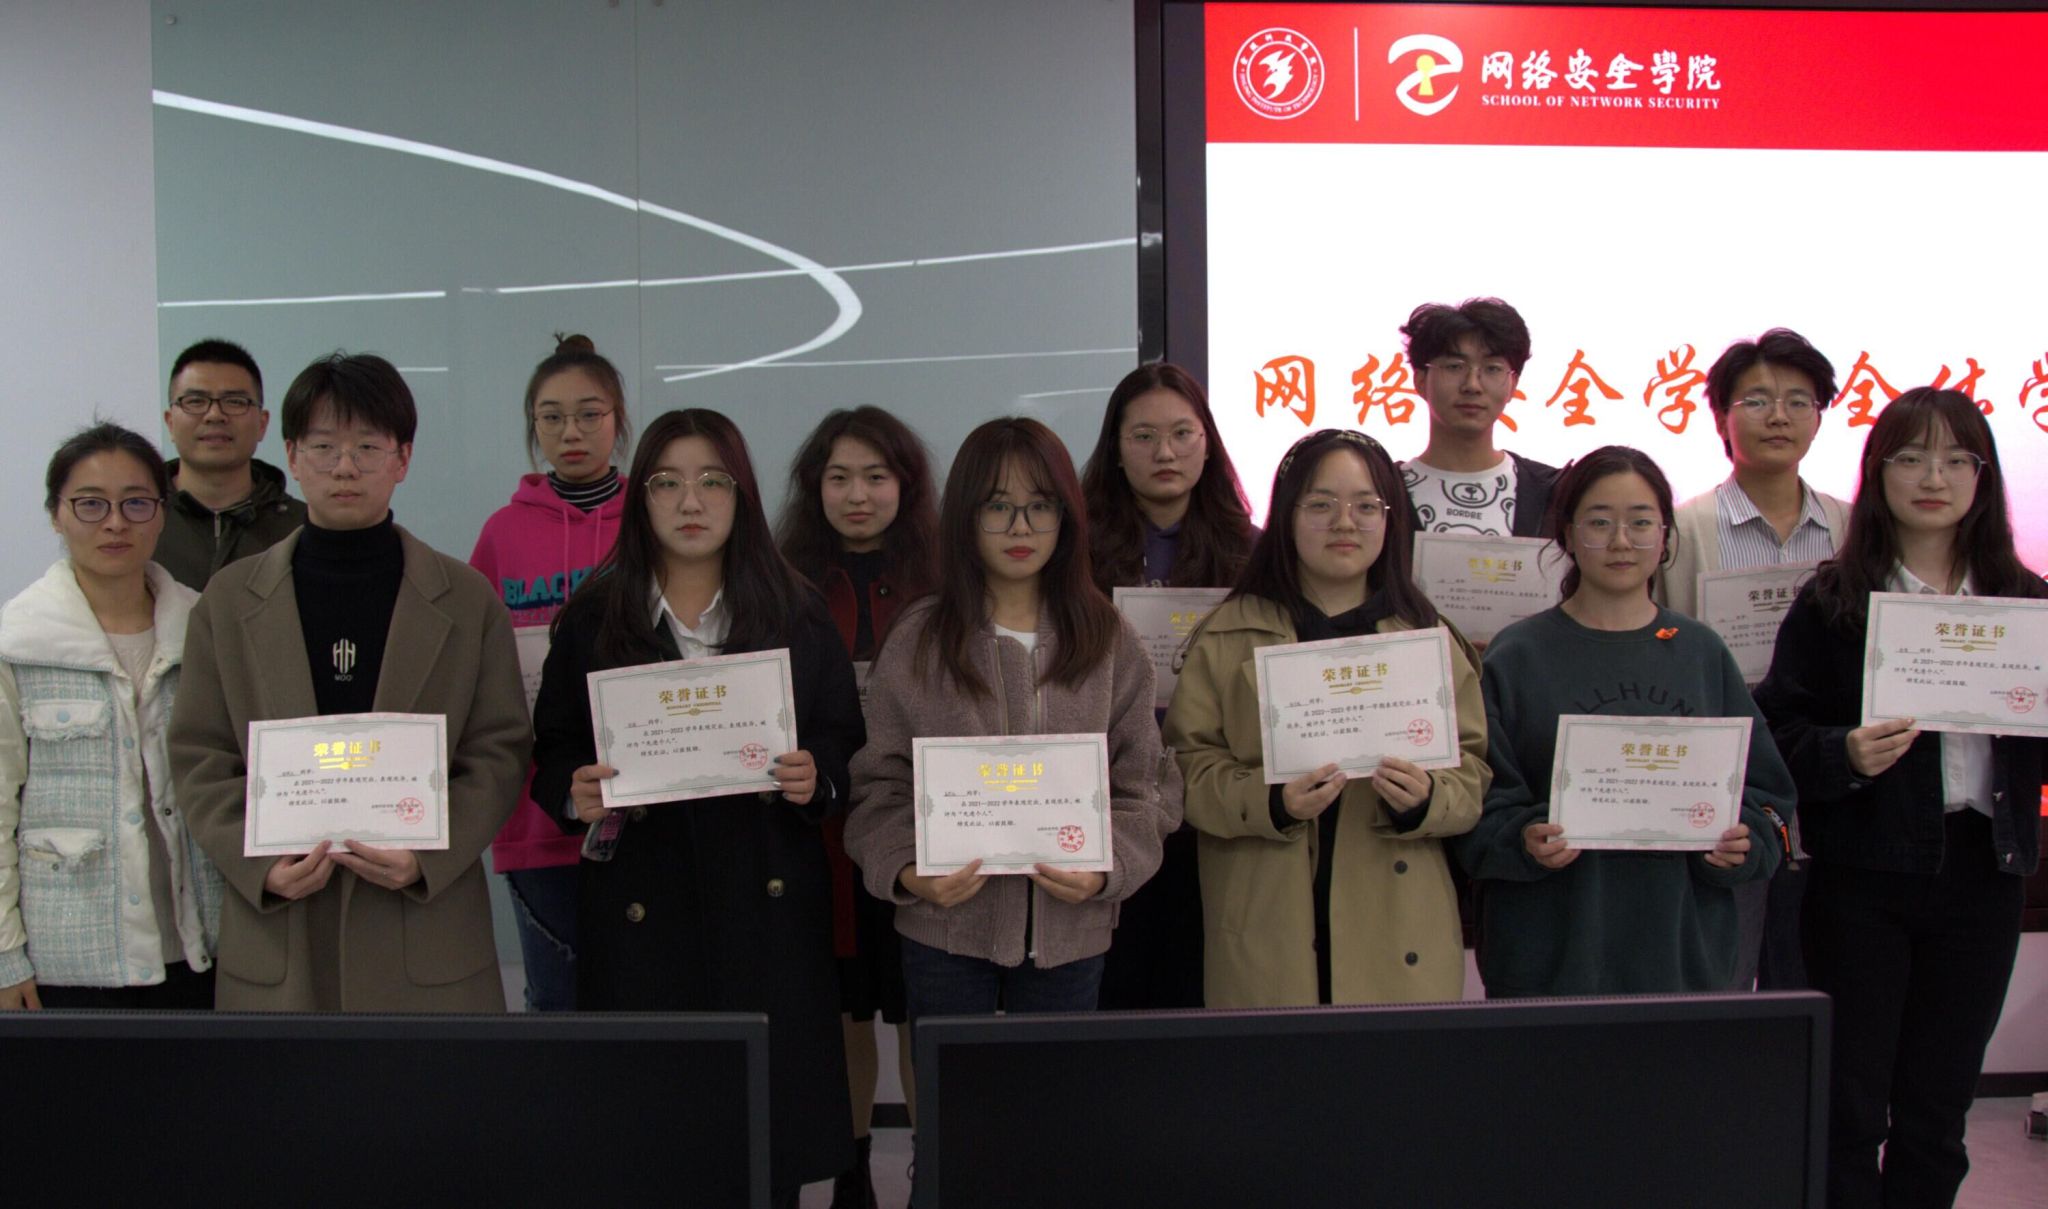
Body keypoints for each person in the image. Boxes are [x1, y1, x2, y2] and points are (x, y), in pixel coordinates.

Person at [532, 408, 862, 1207]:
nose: (691, 501)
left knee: (766, 1148)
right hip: (646, 907)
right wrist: (575, 789)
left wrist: (815, 776)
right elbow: (553, 748)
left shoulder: (794, 609)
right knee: (657, 1145)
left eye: (713, 481)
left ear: (741, 494)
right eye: (667, 482)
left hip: (765, 904)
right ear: (640, 498)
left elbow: (843, 738)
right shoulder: (595, 615)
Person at [1755, 388, 2046, 1209]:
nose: (1933, 477)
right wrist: (1843, 752)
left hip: (1984, 874)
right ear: (1879, 472)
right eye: (1911, 457)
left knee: (1938, 1110)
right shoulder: (1832, 602)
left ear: (1983, 477)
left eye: (1956, 458)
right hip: (1861, 876)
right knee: (1849, 1108)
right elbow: (1776, 732)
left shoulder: (2027, 603)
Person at [168, 353, 529, 1012]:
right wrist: (258, 864)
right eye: (323, 446)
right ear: (291, 454)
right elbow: (199, 753)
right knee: (286, 1082)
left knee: (429, 1081)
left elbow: (499, 748)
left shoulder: (467, 599)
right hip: (283, 921)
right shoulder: (228, 601)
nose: (344, 467)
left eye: (367, 447)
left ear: (403, 458)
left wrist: (430, 854)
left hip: (421, 921)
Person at [843, 416, 1181, 1022]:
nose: (1020, 527)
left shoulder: (1108, 638)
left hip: (1071, 934)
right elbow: (878, 783)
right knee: (952, 1080)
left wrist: (1105, 869)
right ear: (964, 516)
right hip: (944, 930)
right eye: (998, 506)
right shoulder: (920, 638)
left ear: (1067, 516)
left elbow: (1145, 785)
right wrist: (909, 870)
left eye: (1040, 506)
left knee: (1052, 1083)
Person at [1163, 428, 1488, 1007]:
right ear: (1286, 517)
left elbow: (1474, 773)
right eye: (1321, 505)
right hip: (1268, 929)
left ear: (1390, 520)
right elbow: (1184, 771)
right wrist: (1271, 802)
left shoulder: (1427, 637)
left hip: (1399, 933)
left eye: (1366, 506)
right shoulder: (1228, 634)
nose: (1345, 523)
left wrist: (1426, 798)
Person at [1456, 446, 1795, 997]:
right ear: (1567, 535)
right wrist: (1523, 839)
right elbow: (1475, 806)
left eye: (1640, 522)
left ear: (1665, 537)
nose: (1621, 541)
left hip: (1682, 959)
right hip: (1550, 958)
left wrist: (1744, 844)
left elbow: (1767, 798)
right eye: (1599, 522)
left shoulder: (1700, 652)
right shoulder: (1517, 656)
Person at [775, 405, 937, 1209]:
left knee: (918, 1005)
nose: (858, 494)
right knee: (842, 1008)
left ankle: (930, 1169)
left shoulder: (944, 581)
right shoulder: (782, 584)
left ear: (905, 485)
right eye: (839, 477)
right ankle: (851, 1176)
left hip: (921, 824)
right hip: (822, 832)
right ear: (816, 488)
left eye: (876, 476)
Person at [0, 424, 222, 1010]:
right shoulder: (16, 644)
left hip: (206, 949)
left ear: (161, 512)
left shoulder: (206, 630)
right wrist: (3, 956)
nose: (116, 522)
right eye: (91, 504)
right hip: (68, 960)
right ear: (56, 514)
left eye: (136, 503)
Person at [1658, 328, 1847, 992]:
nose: (1779, 416)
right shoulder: (1680, 530)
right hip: (1724, 788)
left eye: (1799, 401)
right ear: (1721, 418)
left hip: (1829, 786)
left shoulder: (1854, 530)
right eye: (1758, 400)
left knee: (1818, 980)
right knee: (1723, 977)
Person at [1078, 363, 1257, 1010]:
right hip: (1110, 797)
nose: (1165, 452)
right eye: (1144, 436)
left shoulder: (1254, 553)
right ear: (1115, 448)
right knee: (1112, 994)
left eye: (1183, 433)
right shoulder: (1074, 553)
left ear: (1208, 444)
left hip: (1212, 800)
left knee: (1198, 987)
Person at [468, 333, 633, 1012]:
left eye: (590, 414)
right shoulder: (502, 533)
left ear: (618, 420)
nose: (571, 432)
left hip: (645, 811)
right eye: (552, 417)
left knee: (650, 1009)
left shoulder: (653, 522)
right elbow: (476, 672)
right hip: (538, 817)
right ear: (532, 426)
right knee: (559, 1008)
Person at [1396, 298, 1559, 539]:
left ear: (1513, 385)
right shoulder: (1382, 492)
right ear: (1420, 381)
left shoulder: (1551, 492)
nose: (1472, 385)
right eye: (1454, 366)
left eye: (1492, 368)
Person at [155, 338, 307, 590]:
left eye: (235, 401)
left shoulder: (302, 529)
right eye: (195, 401)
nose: (215, 415)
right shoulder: (139, 521)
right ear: (170, 422)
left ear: (262, 424)